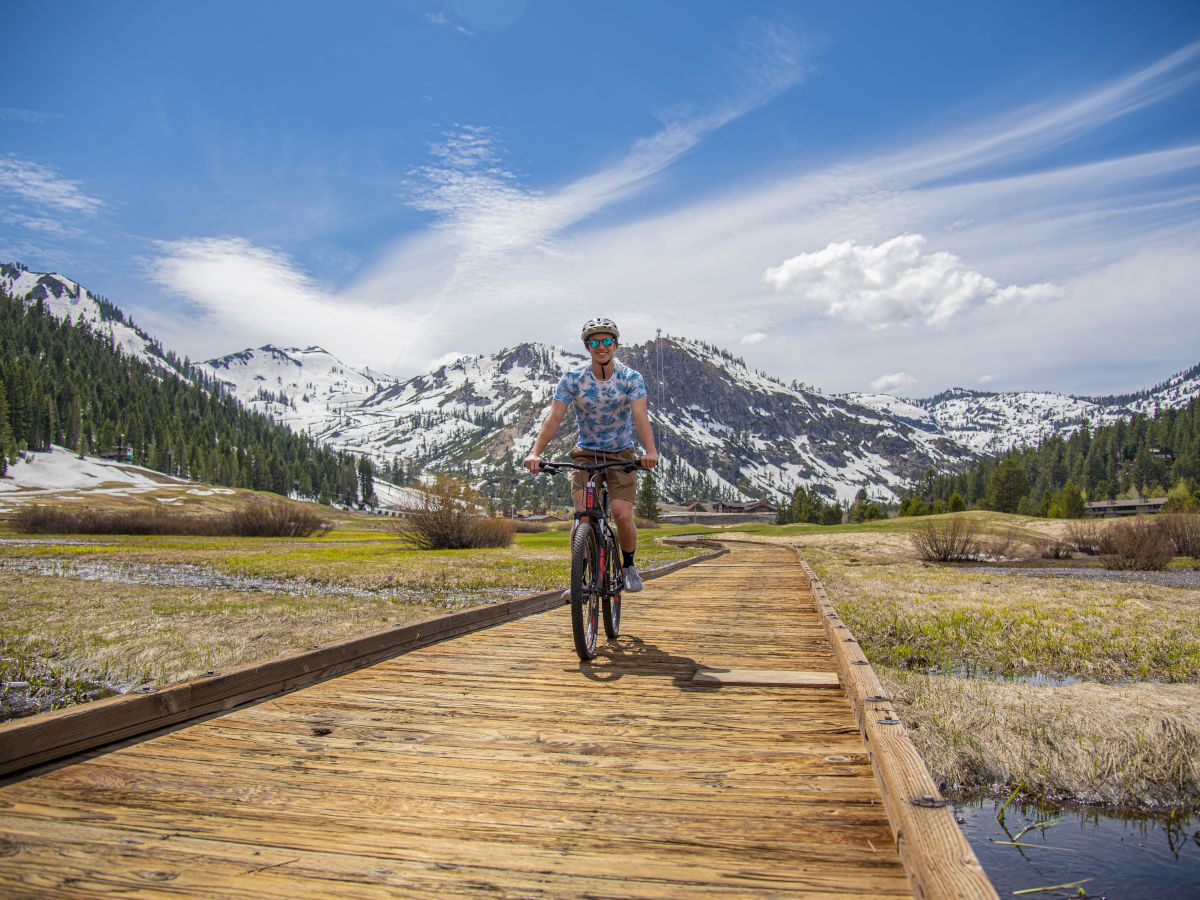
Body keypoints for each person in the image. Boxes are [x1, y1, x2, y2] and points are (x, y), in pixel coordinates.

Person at [524, 317, 659, 591]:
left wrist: (650, 451)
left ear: (616, 344)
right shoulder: (573, 379)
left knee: (622, 514)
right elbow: (554, 418)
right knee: (583, 514)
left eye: (607, 341)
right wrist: (535, 452)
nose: (602, 347)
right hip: (586, 454)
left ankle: (629, 566)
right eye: (595, 342)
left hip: (621, 455)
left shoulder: (631, 378)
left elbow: (639, 416)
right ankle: (580, 580)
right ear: (587, 347)